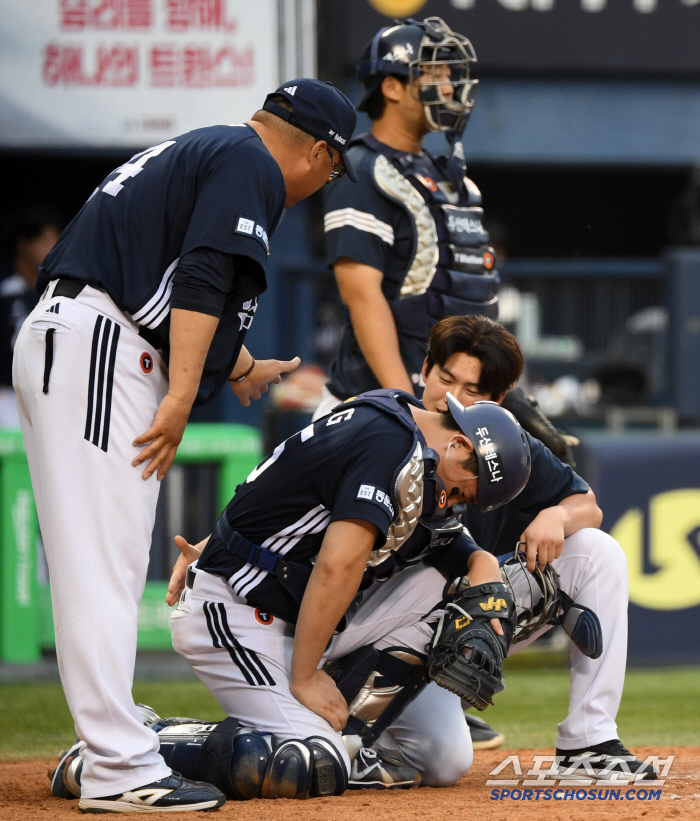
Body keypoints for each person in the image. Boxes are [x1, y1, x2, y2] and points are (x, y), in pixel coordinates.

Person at [14, 78, 359, 814]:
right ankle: (118, 765)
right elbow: (202, 273)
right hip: (100, 348)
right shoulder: (252, 163)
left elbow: (166, 272)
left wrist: (238, 364)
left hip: (78, 337)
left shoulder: (213, 148)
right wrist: (179, 397)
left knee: (97, 562)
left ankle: (111, 744)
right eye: (334, 169)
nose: (325, 182)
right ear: (319, 153)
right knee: (104, 566)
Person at [418, 315, 656, 778]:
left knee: (596, 550)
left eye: (472, 390)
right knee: (442, 760)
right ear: (425, 369)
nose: (452, 397)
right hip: (384, 630)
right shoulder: (386, 431)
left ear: (498, 400)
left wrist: (555, 516)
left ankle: (589, 739)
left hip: (464, 623)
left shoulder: (502, 445)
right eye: (445, 379)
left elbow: (586, 506)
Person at [0, 206, 62, 425]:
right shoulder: (5, 288)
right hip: (6, 397)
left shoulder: (60, 290)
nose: (51, 249)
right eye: (44, 240)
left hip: (46, 397)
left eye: (55, 241)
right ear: (23, 243)